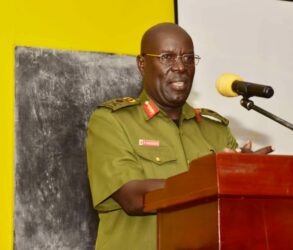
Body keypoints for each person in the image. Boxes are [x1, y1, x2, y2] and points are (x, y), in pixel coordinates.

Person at [86, 22, 273, 250]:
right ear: (142, 64)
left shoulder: (215, 129)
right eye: (167, 57)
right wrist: (213, 180)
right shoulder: (113, 122)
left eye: (188, 58)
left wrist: (248, 179)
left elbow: (239, 212)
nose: (180, 67)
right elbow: (133, 198)